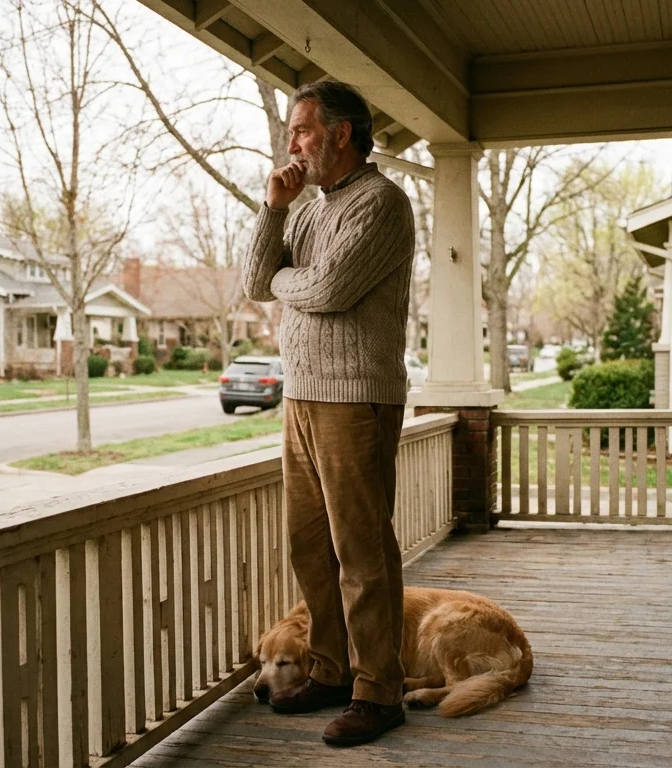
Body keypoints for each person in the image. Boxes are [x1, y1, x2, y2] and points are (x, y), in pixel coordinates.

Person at [241, 80, 415, 747]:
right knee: (309, 546)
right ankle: (332, 670)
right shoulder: (307, 210)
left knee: (361, 551)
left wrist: (294, 284)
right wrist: (273, 210)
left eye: (303, 129)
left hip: (355, 398)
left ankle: (379, 690)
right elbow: (260, 284)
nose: (292, 143)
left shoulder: (382, 203)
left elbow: (332, 289)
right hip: (301, 396)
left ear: (342, 133)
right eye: (291, 131)